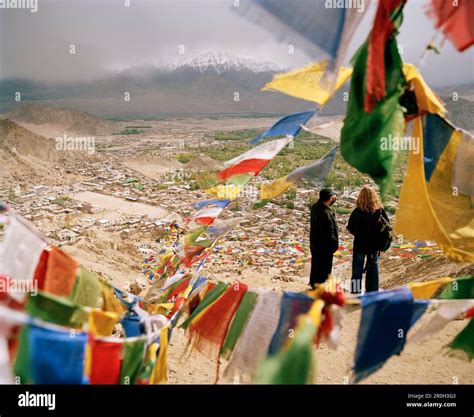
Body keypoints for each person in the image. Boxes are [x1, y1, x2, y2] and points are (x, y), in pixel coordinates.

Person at [347, 185, 389, 294]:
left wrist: (360, 234)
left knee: (357, 271)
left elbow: (351, 227)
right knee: (373, 269)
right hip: (373, 246)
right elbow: (387, 226)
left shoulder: (357, 212)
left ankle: (355, 293)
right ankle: (372, 293)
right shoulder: (379, 212)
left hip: (359, 245)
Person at [309, 188, 339, 289]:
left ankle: (314, 285)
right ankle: (321, 290)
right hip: (325, 247)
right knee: (324, 270)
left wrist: (331, 202)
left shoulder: (315, 207)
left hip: (315, 244)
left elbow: (324, 206)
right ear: (329, 198)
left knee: (316, 266)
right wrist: (334, 244)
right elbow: (328, 235)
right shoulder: (326, 214)